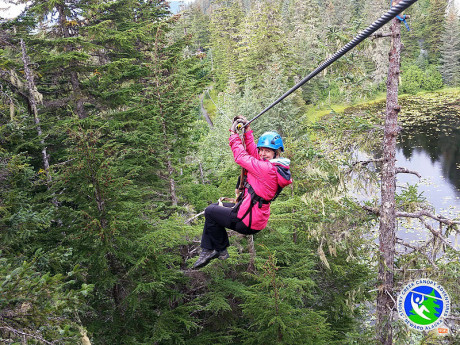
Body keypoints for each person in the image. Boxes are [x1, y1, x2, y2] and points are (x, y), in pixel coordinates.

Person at [193, 116, 292, 269]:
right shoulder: (274, 167)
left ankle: (217, 249)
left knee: (210, 211)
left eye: (268, 152)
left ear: (276, 153)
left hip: (247, 220)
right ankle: (214, 250)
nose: (263, 154)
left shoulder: (267, 170)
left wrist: (233, 135)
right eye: (262, 150)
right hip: (251, 213)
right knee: (214, 209)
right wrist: (247, 130)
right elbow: (253, 153)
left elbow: (241, 157)